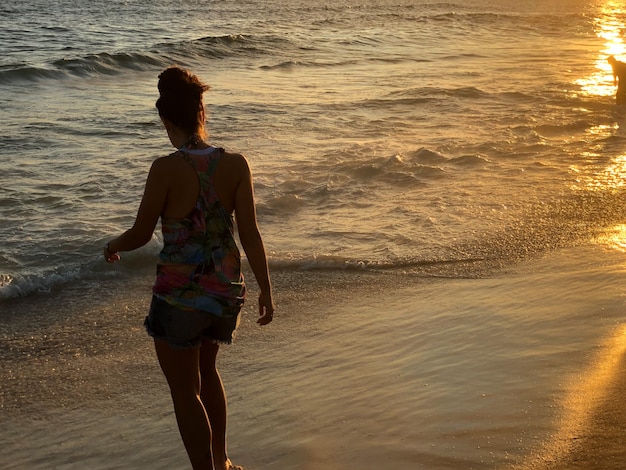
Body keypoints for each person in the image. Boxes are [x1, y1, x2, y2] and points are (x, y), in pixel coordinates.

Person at [103, 66, 275, 470]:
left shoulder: (165, 168)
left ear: (166, 119)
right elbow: (250, 234)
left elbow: (141, 233)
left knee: (184, 390)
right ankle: (222, 460)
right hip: (224, 290)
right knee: (208, 373)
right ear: (202, 113)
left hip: (179, 297)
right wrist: (266, 288)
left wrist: (110, 246)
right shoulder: (236, 164)